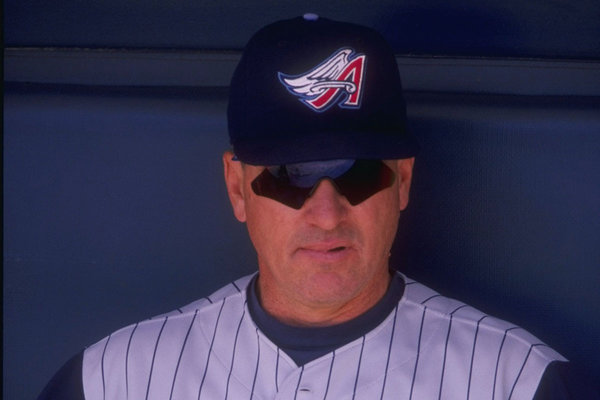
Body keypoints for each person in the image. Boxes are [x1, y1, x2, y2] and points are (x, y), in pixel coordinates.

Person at [39, 15, 582, 400]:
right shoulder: (114, 381)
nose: (327, 214)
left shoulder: (519, 383)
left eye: (358, 170)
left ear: (402, 182)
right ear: (236, 187)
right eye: (288, 175)